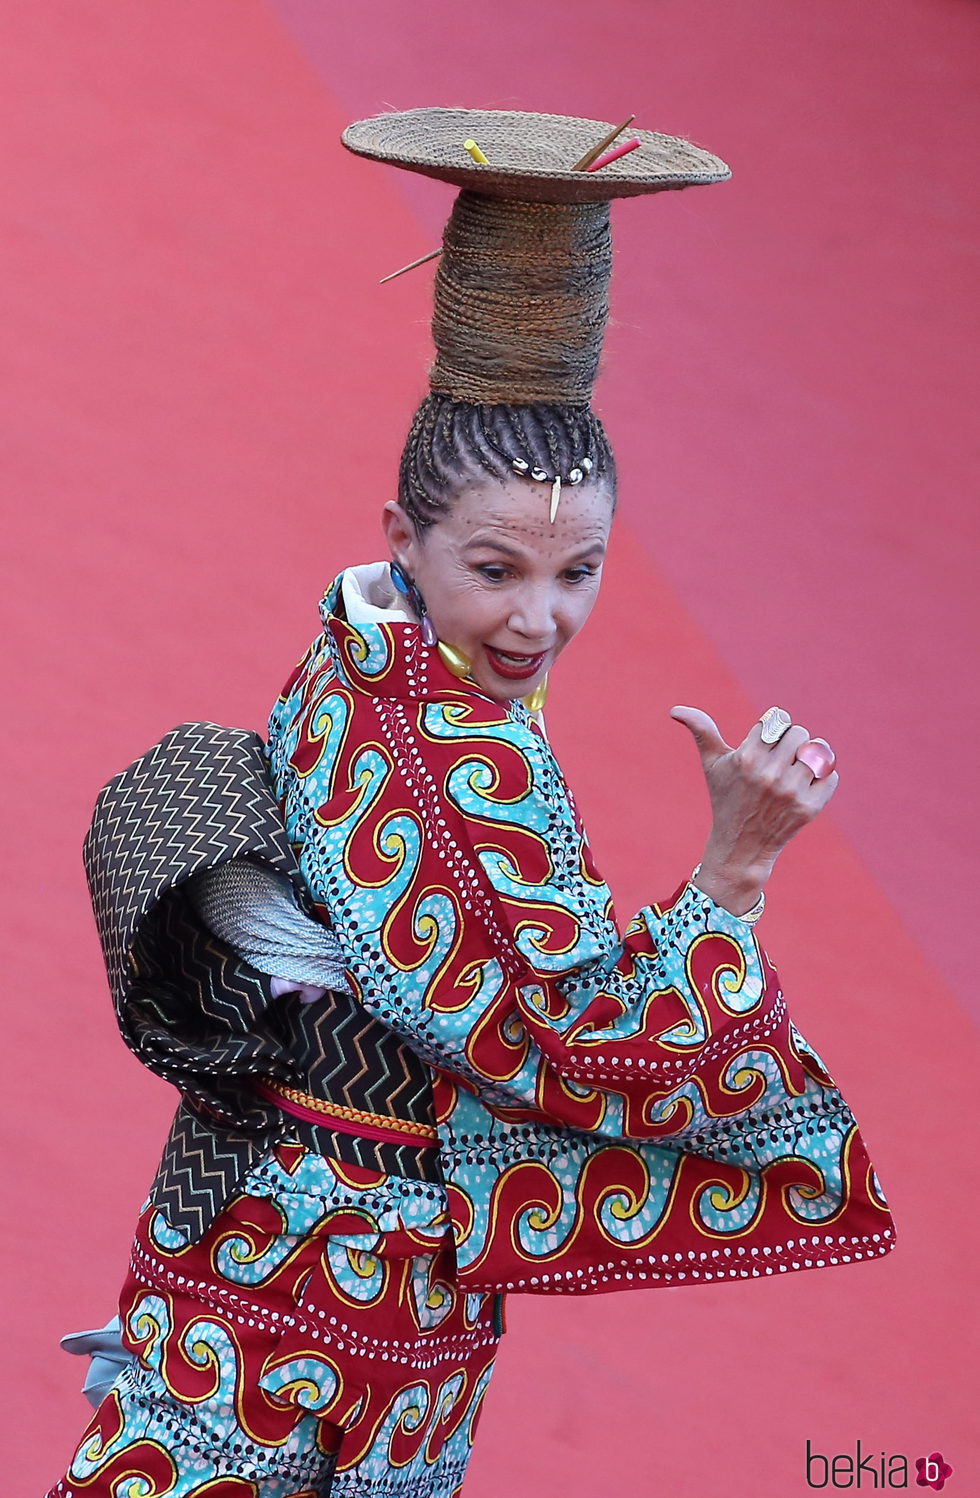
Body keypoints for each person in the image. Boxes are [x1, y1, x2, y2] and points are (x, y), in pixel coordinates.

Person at [47, 110, 895, 1498]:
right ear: (407, 537)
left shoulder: (360, 640)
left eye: (581, 573)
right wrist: (734, 867)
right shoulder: (453, 758)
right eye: (497, 568)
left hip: (258, 1244)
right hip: (348, 1294)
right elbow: (582, 1038)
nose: (540, 620)